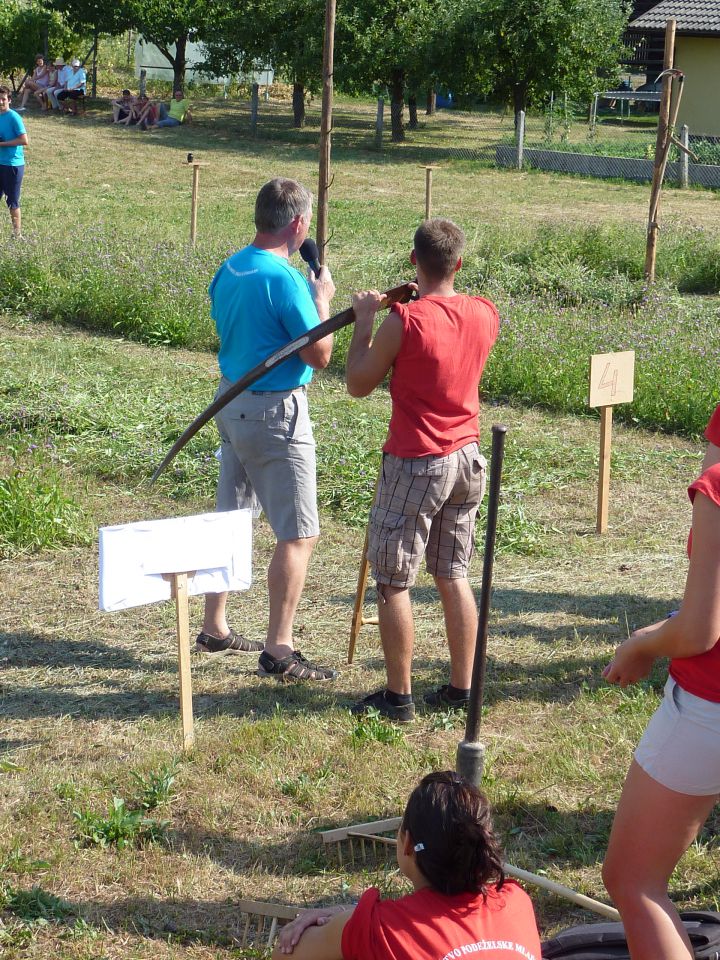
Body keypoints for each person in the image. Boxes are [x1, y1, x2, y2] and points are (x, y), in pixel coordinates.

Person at [345, 218, 499, 721]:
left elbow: (358, 383)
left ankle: (399, 696)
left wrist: (367, 319)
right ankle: (461, 688)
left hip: (417, 462)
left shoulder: (404, 322)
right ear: (458, 263)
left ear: (414, 261)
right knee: (453, 574)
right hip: (467, 460)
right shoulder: (485, 314)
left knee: (393, 579)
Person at [197, 177, 338, 682]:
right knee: (299, 532)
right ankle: (280, 648)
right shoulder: (285, 279)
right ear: (298, 226)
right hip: (275, 413)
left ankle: (215, 624)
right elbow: (320, 355)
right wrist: (322, 298)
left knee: (231, 519)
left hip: (230, 401)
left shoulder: (230, 267)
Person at [602, 402, 720, 960]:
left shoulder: (718, 488)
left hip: (709, 706)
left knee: (634, 879)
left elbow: (699, 631)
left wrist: (641, 643)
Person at [272, 770, 542, 960]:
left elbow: (287, 953)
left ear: (409, 843)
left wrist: (342, 920)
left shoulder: (382, 930)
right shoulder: (515, 902)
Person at [0, 85, 29, 239]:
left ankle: (17, 235)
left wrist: (2, 144)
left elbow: (24, 140)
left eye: (3, 99)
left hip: (12, 165)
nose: (0, 102)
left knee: (12, 201)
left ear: (9, 100)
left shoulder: (13, 117)